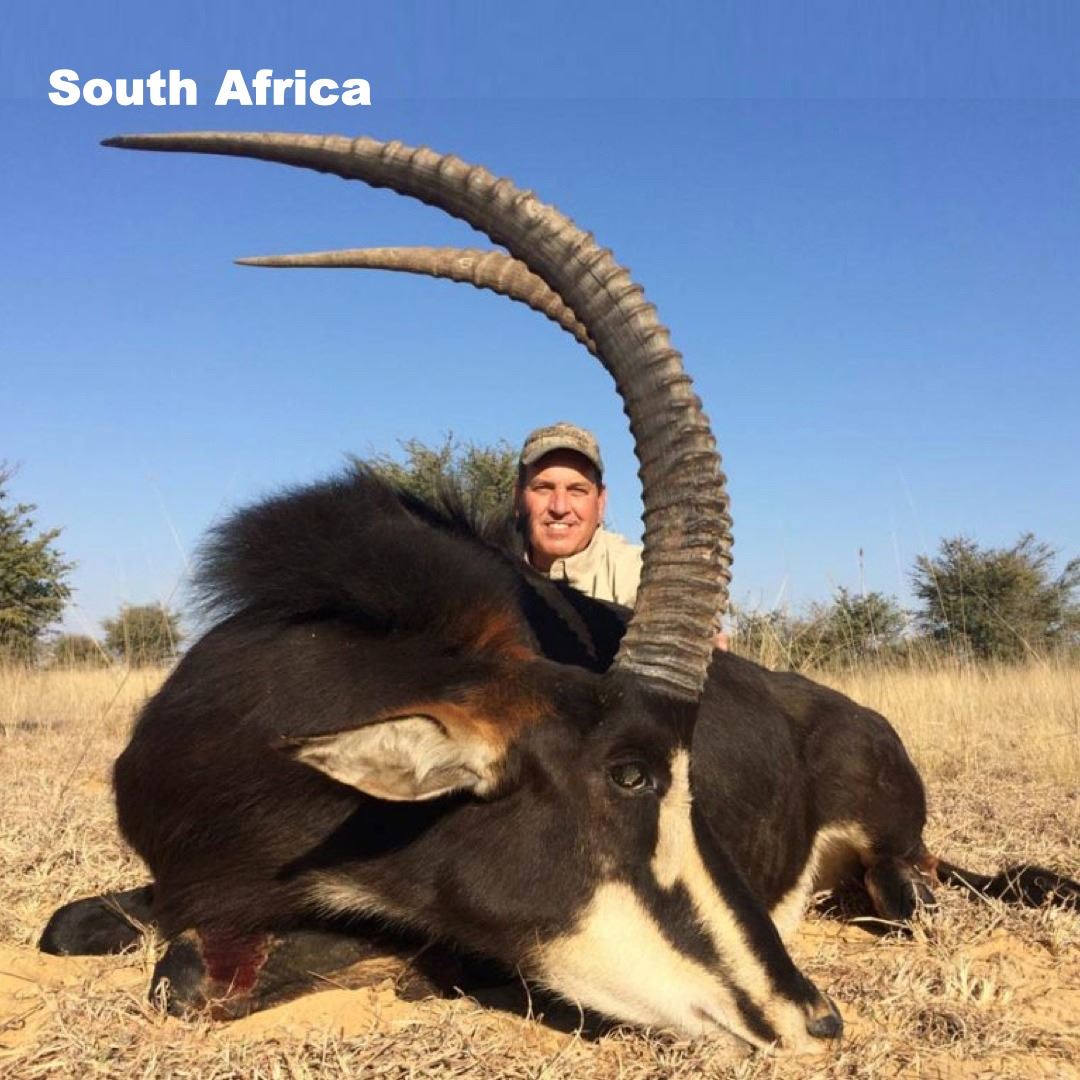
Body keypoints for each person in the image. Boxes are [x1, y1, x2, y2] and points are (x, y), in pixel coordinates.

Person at [514, 422, 729, 649]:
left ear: (600, 502)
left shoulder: (643, 575)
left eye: (577, 490)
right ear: (517, 497)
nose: (559, 507)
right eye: (543, 488)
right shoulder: (494, 572)